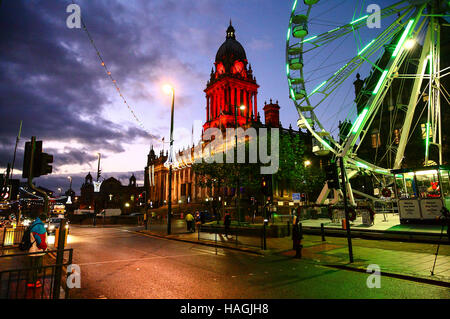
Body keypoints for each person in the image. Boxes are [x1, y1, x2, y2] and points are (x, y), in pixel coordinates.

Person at [27, 214, 48, 288]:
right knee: (36, 267)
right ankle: (33, 282)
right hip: (37, 251)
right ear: (44, 219)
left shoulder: (34, 224)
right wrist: (44, 247)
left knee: (32, 267)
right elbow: (41, 241)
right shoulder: (39, 227)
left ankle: (31, 282)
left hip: (31, 249)